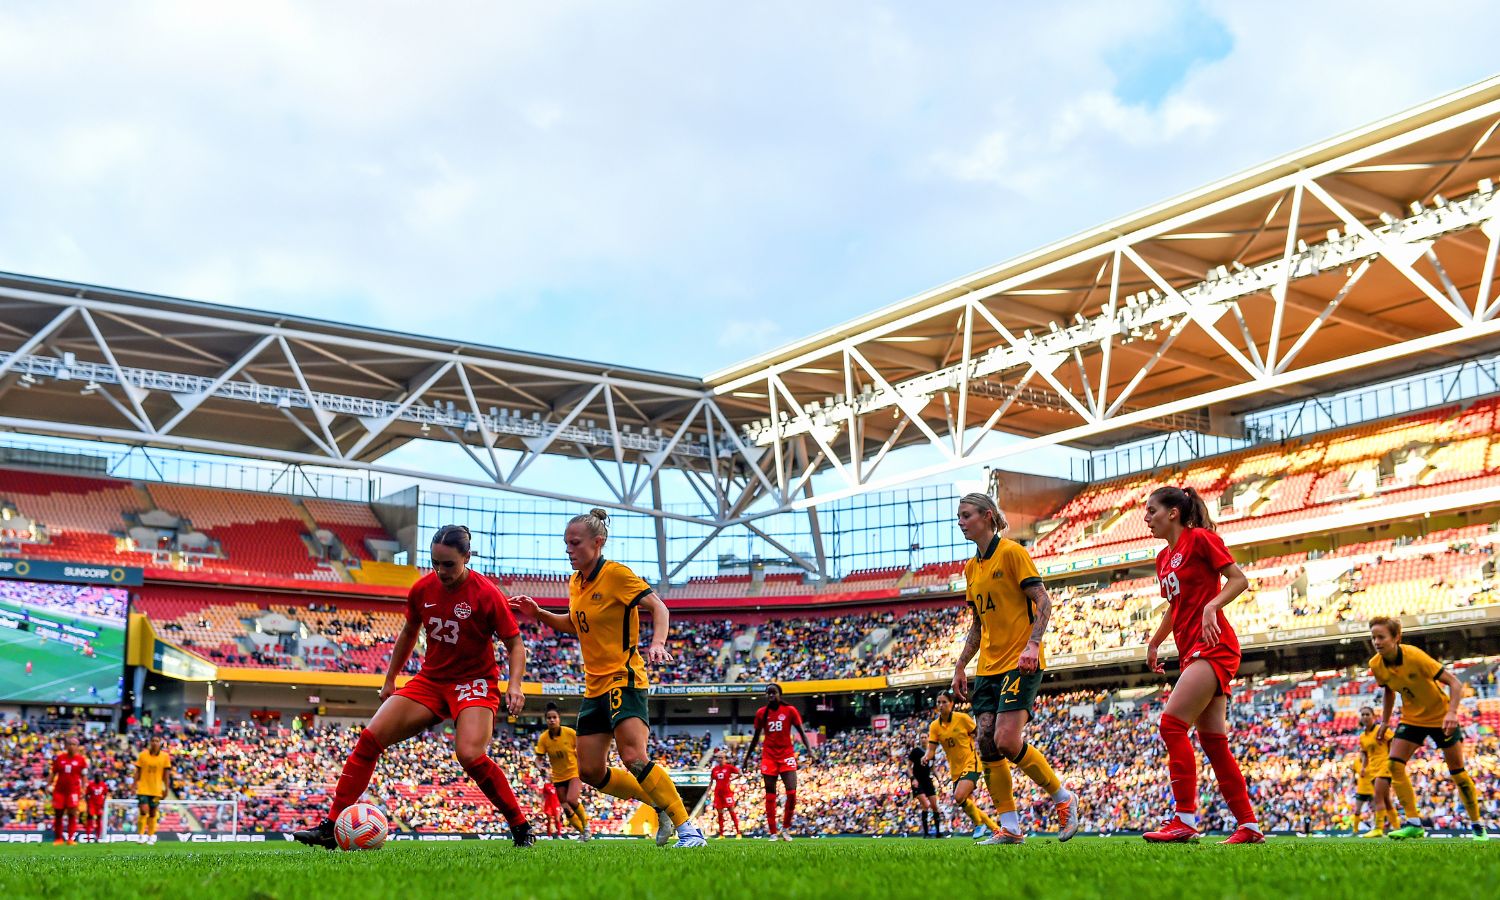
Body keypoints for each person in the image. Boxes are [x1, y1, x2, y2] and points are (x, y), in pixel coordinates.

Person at [295, 525, 534, 849]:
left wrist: (515, 685)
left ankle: (520, 826)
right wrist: (391, 678)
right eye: (434, 563)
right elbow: (409, 633)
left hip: (473, 683)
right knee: (369, 740)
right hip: (431, 681)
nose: (440, 571)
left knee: (469, 754)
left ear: (466, 557)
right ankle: (331, 826)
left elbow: (515, 644)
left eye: (448, 564)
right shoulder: (423, 589)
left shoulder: (487, 593)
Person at [510, 508, 706, 849]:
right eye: (566, 544)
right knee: (589, 771)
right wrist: (539, 613)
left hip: (624, 678)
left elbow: (660, 608)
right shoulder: (575, 582)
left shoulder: (616, 575)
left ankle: (689, 830)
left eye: (575, 543)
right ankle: (658, 804)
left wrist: (657, 643)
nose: (568, 550)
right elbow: (574, 623)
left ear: (598, 543)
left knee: (633, 756)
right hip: (594, 686)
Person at [950, 492, 1080, 845]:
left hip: (1020, 661)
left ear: (987, 516)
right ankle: (1011, 828)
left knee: (1007, 740)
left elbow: (1044, 601)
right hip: (988, 666)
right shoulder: (970, 568)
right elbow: (977, 624)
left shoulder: (1012, 553)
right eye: (959, 516)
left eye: (966, 515)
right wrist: (961, 664)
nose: (960, 522)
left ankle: (1062, 797)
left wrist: (1033, 645)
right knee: (987, 743)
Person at [1141, 486, 1261, 845]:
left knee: (1171, 724)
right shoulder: (1164, 559)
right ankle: (1249, 826)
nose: (1146, 518)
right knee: (1213, 742)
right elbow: (1175, 608)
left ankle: (1184, 818)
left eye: (1151, 511)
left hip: (1214, 646)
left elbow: (1239, 579)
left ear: (1173, 513)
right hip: (1193, 648)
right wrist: (1155, 640)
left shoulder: (1202, 539)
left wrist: (1212, 606)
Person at [1368, 617, 1488, 840]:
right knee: (1394, 764)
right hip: (1412, 719)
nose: (1376, 641)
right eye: (1373, 637)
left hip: (1441, 718)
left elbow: (1455, 683)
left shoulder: (1415, 656)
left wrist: (1452, 713)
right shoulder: (1375, 664)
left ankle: (1477, 825)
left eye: (1381, 637)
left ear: (1396, 638)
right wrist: (1384, 722)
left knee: (1457, 772)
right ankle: (1414, 823)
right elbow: (1388, 691)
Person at [743, 683, 813, 841]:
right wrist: (746, 759)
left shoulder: (790, 711)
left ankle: (786, 829)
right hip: (769, 756)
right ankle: (773, 832)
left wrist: (809, 750)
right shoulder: (761, 713)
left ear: (780, 694)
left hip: (786, 755)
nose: (770, 696)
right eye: (768, 693)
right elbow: (755, 738)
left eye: (773, 693)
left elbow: (801, 731)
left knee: (792, 793)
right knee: (770, 795)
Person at [925, 691, 1000, 839]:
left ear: (951, 704)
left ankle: (979, 825)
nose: (941, 705)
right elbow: (931, 750)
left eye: (944, 702)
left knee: (959, 796)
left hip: (971, 763)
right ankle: (997, 830)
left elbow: (978, 734)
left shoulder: (963, 719)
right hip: (955, 771)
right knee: (969, 804)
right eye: (938, 702)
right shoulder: (935, 726)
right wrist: (926, 757)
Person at [534, 702, 590, 840]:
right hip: (558, 777)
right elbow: (538, 758)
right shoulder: (543, 738)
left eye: (554, 717)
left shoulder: (570, 733)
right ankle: (584, 833)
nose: (552, 720)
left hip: (573, 773)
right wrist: (539, 766)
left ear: (559, 719)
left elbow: (582, 748)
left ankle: (586, 825)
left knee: (572, 800)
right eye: (549, 718)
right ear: (546, 720)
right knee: (565, 809)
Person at [133, 734, 172, 845]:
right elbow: (138, 772)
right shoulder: (142, 755)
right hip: (143, 788)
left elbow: (166, 775)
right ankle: (140, 835)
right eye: (153, 740)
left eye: (157, 741)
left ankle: (150, 836)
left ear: (160, 743)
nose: (155, 743)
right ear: (150, 742)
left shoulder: (165, 757)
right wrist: (133, 785)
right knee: (143, 810)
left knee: (153, 813)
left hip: (156, 789)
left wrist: (166, 788)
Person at [49, 734, 87, 845]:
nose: (71, 746)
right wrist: (47, 784)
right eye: (69, 744)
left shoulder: (81, 760)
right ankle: (58, 839)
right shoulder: (60, 758)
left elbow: (84, 776)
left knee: (72, 814)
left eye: (74, 744)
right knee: (58, 814)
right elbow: (53, 773)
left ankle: (71, 839)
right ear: (66, 746)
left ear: (77, 747)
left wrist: (84, 788)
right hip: (59, 791)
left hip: (73, 791)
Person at [907, 746, 942, 838]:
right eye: (921, 737)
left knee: (935, 806)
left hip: (927, 780)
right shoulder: (915, 751)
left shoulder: (931, 752)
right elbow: (909, 767)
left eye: (925, 737)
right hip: (917, 781)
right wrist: (913, 778)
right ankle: (926, 833)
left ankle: (938, 833)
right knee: (926, 805)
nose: (923, 739)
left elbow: (933, 768)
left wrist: (939, 779)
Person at [709, 750, 743, 838]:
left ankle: (738, 833)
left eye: (721, 758)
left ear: (725, 759)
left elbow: (740, 773)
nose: (719, 759)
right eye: (718, 758)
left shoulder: (729, 767)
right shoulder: (714, 769)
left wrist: (731, 780)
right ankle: (721, 834)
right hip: (718, 793)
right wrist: (708, 791)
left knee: (732, 812)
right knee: (720, 814)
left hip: (727, 793)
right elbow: (711, 781)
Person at [83, 773, 110, 841]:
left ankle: (97, 837)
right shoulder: (90, 784)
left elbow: (106, 794)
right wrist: (88, 804)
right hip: (92, 805)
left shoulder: (103, 785)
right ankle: (88, 837)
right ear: (95, 777)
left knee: (99, 820)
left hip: (99, 805)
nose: (98, 778)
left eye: (99, 777)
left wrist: (103, 804)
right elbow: (86, 795)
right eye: (97, 777)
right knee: (90, 819)